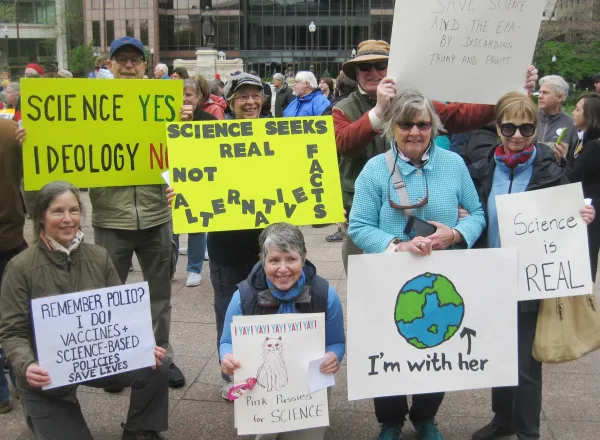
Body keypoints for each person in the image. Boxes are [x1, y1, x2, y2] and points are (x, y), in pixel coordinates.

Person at [16, 36, 186, 389]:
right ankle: (113, 361)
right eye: (121, 59)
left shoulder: (164, 105)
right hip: (111, 219)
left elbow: (191, 156)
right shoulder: (91, 104)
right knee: (106, 298)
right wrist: (34, 139)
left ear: (145, 65)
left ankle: (161, 357)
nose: (128, 65)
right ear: (110, 65)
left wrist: (189, 122)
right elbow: (61, 148)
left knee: (159, 297)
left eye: (135, 60)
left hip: (157, 216)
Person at [349, 89, 486, 440]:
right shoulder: (374, 170)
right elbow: (359, 226)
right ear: (392, 127)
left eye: (423, 125)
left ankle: (425, 417)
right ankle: (390, 420)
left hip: (441, 276)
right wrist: (397, 246)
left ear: (433, 128)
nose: (414, 132)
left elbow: (477, 214)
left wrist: (454, 234)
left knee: (437, 345)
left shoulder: (453, 164)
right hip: (389, 275)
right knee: (388, 345)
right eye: (405, 124)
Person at [333, 39, 538, 272]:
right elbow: (345, 144)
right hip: (366, 224)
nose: (373, 72)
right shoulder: (344, 110)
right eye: (365, 67)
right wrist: (379, 110)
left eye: (381, 65)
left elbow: (460, 115)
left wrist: (510, 91)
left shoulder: (447, 154)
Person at [468, 92, 595, 440]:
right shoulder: (482, 169)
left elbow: (567, 214)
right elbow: (473, 215)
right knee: (497, 352)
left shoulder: (549, 170)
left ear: (535, 129)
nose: (517, 135)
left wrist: (582, 214)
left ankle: (528, 433)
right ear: (498, 128)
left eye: (526, 128)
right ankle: (502, 420)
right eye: (509, 127)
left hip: (529, 279)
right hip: (489, 274)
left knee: (525, 364)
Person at [0, 181, 169, 439]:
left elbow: (120, 315)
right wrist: (26, 364)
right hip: (47, 372)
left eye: (74, 210)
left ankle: (140, 430)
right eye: (58, 211)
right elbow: (12, 331)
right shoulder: (20, 267)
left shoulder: (99, 256)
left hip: (98, 358)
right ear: (41, 217)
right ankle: (40, 409)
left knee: (157, 364)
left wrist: (143, 346)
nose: (68, 219)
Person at [167, 72, 267, 399]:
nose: (250, 102)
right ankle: (233, 376)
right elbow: (186, 161)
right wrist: (180, 190)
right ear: (230, 102)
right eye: (243, 97)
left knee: (271, 313)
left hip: (269, 246)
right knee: (229, 314)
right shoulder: (212, 133)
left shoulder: (280, 134)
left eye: (255, 95)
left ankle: (272, 376)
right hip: (227, 246)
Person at [220, 222, 345, 440]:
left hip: (308, 388)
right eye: (274, 260)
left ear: (304, 257)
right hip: (260, 392)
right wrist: (227, 357)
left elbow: (337, 341)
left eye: (291, 259)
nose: (283, 268)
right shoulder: (244, 297)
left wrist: (334, 356)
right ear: (262, 259)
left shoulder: (325, 295)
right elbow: (226, 342)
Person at [172, 78, 217, 287]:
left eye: (188, 94)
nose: (184, 98)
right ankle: (169, 267)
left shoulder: (209, 120)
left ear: (198, 97)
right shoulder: (164, 119)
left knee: (196, 223)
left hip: (198, 178)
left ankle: (194, 269)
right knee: (171, 226)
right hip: (171, 177)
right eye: (180, 94)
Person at [0, 118, 24, 413]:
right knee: (19, 317)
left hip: (10, 238)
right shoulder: (8, 131)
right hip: (11, 238)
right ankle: (23, 380)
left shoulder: (9, 131)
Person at [565, 93, 600, 282]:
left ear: (589, 115)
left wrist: (561, 163)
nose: (573, 112)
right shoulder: (583, 141)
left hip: (590, 209)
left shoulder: (594, 146)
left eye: (578, 109)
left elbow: (573, 176)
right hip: (583, 205)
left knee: (586, 252)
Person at [536, 75, 579, 163]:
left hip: (557, 171)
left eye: (545, 93)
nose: (540, 96)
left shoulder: (572, 124)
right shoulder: (530, 119)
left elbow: (574, 162)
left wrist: (561, 161)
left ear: (559, 97)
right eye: (540, 92)